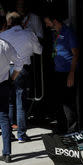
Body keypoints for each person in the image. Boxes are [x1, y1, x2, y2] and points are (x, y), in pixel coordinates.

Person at [0, 12, 42, 143]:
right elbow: (39, 50)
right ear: (21, 21)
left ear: (9, 22)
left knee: (9, 101)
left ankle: (10, 133)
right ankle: (21, 134)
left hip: (7, 69)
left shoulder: (3, 35)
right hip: (22, 69)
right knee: (20, 102)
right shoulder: (28, 34)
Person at [43, 13, 79, 134]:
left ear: (54, 20)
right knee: (58, 102)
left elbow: (75, 54)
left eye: (47, 22)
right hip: (57, 72)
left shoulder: (69, 32)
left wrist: (72, 74)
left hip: (67, 73)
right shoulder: (55, 33)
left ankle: (72, 131)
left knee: (68, 104)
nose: (46, 25)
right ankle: (62, 129)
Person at [0, 21, 21, 163]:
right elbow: (20, 62)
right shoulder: (5, 45)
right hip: (3, 84)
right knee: (4, 118)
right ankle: (7, 153)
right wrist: (13, 78)